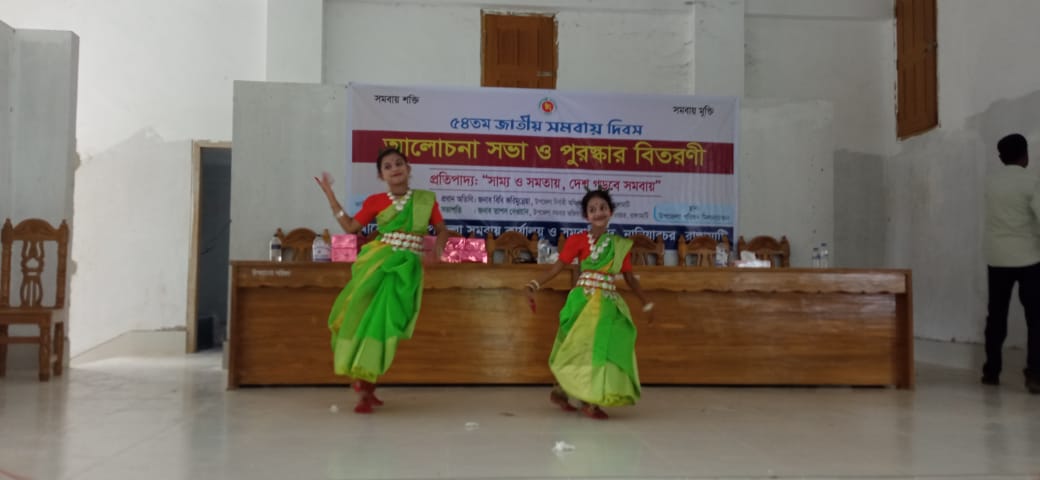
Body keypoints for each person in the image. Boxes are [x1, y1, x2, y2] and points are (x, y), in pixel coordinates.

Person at [315, 147, 449, 413]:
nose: (394, 169)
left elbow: (442, 230)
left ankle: (368, 383)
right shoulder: (376, 201)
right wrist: (330, 195)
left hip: (407, 270)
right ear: (381, 176)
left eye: (399, 163)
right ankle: (363, 387)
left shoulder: (426, 200)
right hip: (378, 265)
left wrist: (438, 248)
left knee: (389, 326)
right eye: (387, 167)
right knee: (370, 323)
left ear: (408, 168)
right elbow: (351, 227)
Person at [524, 188, 654, 419]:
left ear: (611, 212)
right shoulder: (577, 240)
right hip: (582, 301)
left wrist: (646, 303)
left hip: (607, 303)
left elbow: (630, 278)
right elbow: (558, 267)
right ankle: (574, 395)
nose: (598, 212)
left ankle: (582, 397)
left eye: (603, 207)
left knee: (602, 349)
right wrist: (534, 284)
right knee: (578, 347)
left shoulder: (619, 245)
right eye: (592, 209)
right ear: (586, 216)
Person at [981, 133, 1040, 394]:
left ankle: (991, 371)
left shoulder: (991, 183)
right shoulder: (1032, 181)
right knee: (1036, 318)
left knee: (996, 315)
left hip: (997, 257)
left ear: (1001, 157)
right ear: (1025, 155)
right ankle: (1035, 374)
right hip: (1029, 258)